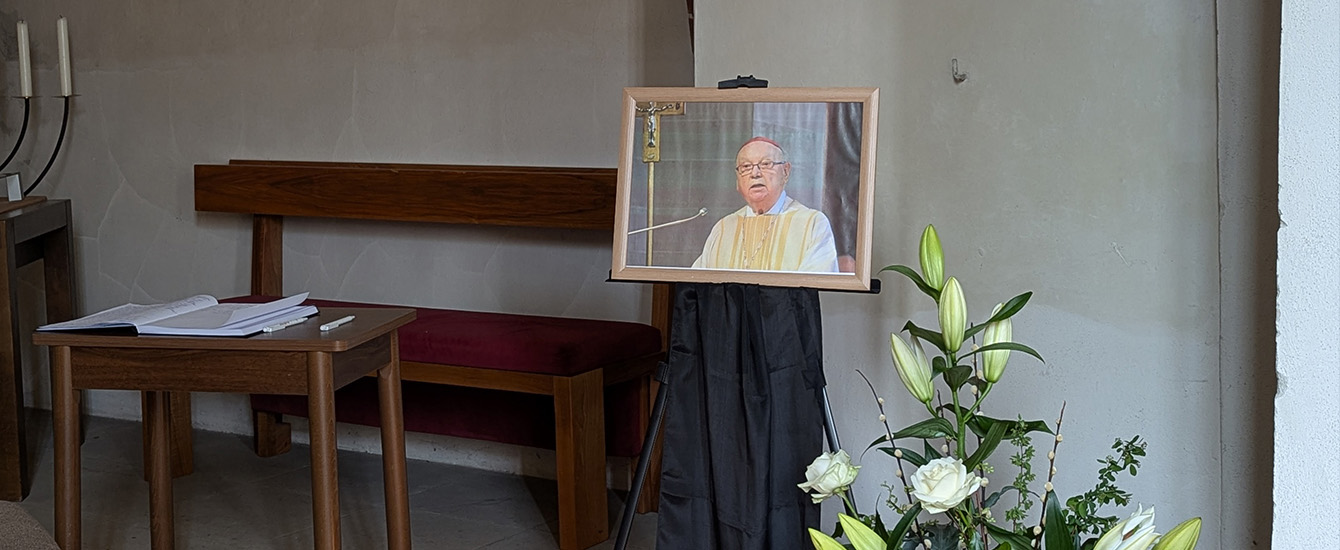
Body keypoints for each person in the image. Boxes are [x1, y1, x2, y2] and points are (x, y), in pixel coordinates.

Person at [692, 137, 839, 272]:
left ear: (785, 172)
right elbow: (696, 283)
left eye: (766, 164)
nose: (755, 173)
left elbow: (815, 288)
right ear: (737, 181)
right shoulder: (723, 228)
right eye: (746, 167)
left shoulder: (811, 224)